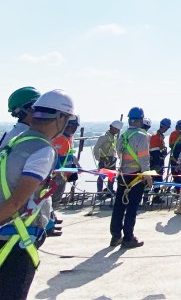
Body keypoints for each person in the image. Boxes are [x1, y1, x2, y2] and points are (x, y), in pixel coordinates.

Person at [0, 88, 75, 300]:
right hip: (16, 239)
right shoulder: (42, 150)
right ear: (60, 118)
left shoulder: (14, 139)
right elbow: (16, 203)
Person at [109, 107, 153, 249]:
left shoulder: (122, 136)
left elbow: (119, 154)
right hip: (136, 176)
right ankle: (128, 238)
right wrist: (147, 176)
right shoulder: (142, 136)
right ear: (140, 120)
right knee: (131, 207)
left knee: (119, 206)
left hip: (123, 175)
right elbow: (144, 158)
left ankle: (116, 236)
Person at [93, 121, 122, 196]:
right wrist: (99, 158)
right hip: (104, 160)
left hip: (112, 160)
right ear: (112, 127)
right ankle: (99, 193)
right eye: (117, 129)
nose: (118, 131)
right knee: (101, 177)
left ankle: (109, 191)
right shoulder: (103, 137)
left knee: (111, 177)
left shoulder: (115, 137)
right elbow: (96, 149)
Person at [147, 118, 171, 204]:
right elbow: (154, 152)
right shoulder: (155, 136)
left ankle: (154, 197)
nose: (167, 129)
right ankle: (149, 198)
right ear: (163, 126)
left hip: (158, 162)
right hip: (155, 163)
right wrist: (156, 164)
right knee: (153, 180)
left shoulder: (160, 136)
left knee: (158, 180)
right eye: (167, 127)